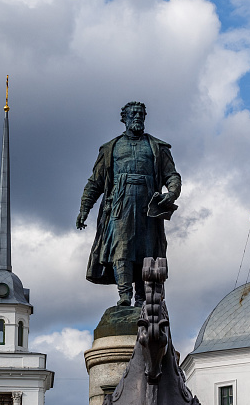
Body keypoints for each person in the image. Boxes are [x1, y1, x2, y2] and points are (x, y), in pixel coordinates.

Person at [77, 102, 181, 306]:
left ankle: (142, 298)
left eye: (141, 114)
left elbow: (172, 175)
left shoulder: (157, 148)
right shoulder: (111, 148)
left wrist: (172, 193)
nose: (137, 117)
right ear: (123, 118)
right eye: (133, 114)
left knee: (147, 251)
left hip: (149, 205)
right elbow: (95, 182)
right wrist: (84, 209)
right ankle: (124, 295)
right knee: (121, 249)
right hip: (120, 204)